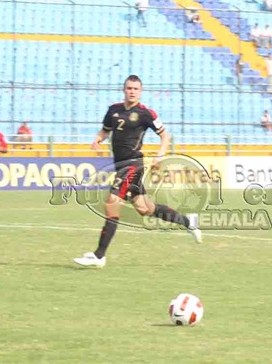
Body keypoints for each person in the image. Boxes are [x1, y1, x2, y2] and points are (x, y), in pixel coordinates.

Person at [74, 75, 202, 268]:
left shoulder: (145, 113)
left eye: (135, 88)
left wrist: (160, 155)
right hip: (120, 165)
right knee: (145, 209)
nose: (132, 91)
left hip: (133, 164)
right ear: (123, 89)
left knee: (112, 202)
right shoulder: (113, 110)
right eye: (129, 88)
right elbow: (105, 130)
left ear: (140, 91)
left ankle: (99, 255)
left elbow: (165, 136)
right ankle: (188, 221)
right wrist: (98, 139)